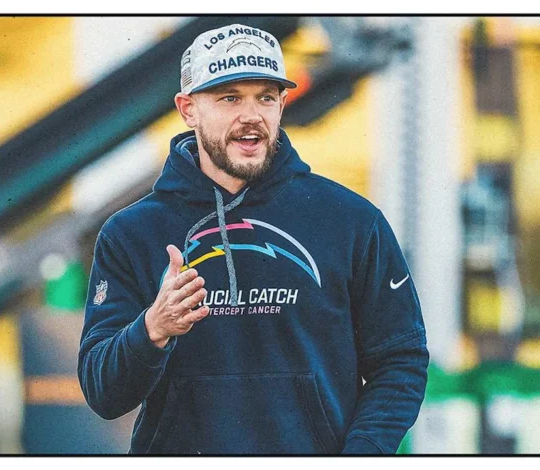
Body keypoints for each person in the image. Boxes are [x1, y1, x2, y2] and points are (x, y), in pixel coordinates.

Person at [78, 22, 428, 455]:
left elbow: (400, 361)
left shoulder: (352, 221)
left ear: (281, 104)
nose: (251, 115)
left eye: (265, 97)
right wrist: (153, 328)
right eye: (230, 98)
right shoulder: (131, 233)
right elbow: (102, 393)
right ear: (188, 109)